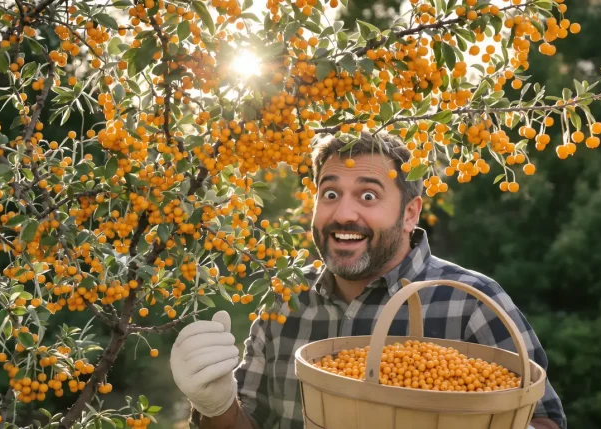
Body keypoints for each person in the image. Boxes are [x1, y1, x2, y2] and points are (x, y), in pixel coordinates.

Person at [169, 132, 567, 429]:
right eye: (329, 194)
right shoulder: (286, 302)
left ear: (410, 214)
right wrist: (217, 406)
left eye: (368, 196)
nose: (343, 214)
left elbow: (544, 420)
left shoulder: (472, 303)